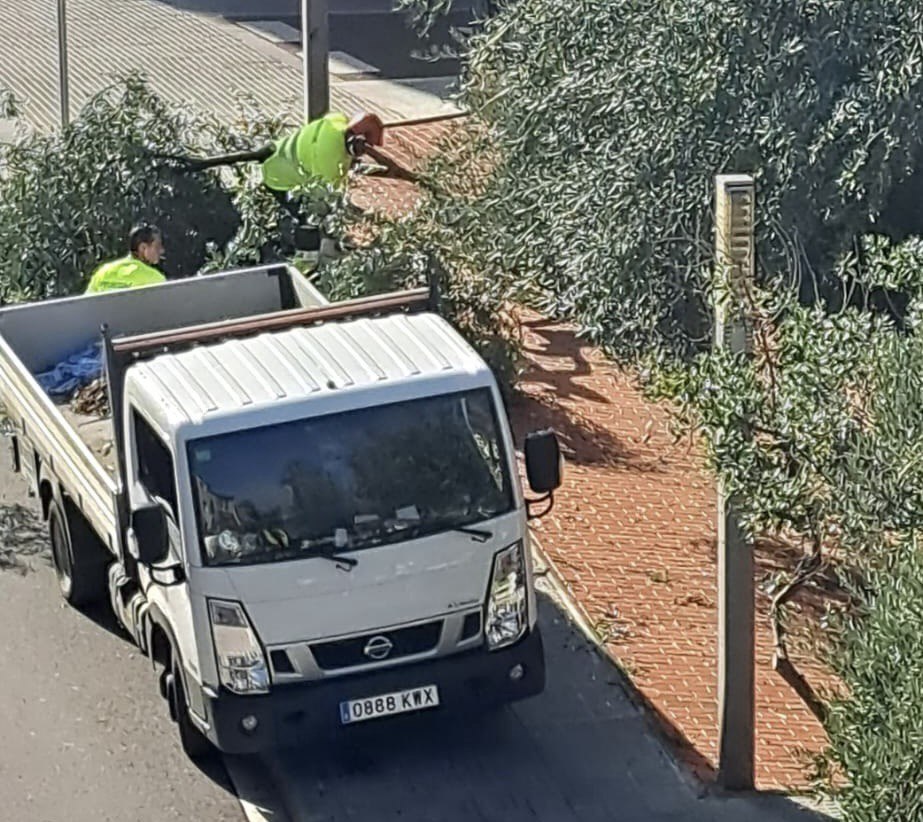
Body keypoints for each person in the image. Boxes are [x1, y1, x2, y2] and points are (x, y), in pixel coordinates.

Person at [85, 224, 166, 294]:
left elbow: (85, 304)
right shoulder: (155, 279)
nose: (162, 251)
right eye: (157, 246)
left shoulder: (102, 272)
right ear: (143, 248)